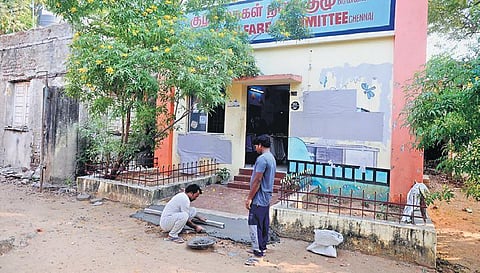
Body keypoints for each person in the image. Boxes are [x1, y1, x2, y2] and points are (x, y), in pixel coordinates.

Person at [244, 134, 276, 265]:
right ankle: (262, 247)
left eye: (256, 146)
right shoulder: (272, 158)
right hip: (266, 197)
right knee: (263, 224)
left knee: (254, 224)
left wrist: (249, 198)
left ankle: (257, 254)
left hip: (259, 198)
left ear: (260, 146)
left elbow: (257, 180)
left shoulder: (262, 159)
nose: (255, 148)